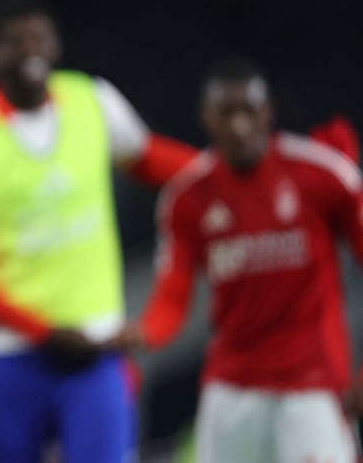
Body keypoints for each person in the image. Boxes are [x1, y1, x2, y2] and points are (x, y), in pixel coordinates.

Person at [0, 0, 197, 462]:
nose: (30, 49)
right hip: (11, 353)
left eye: (39, 37)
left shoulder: (92, 100)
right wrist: (43, 330)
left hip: (98, 350)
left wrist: (223, 171)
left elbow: (150, 160)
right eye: (14, 41)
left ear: (56, 45)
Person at [111, 57, 363, 462]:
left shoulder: (321, 174)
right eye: (226, 113)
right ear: (206, 119)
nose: (239, 125)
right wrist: (146, 332)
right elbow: (174, 292)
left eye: (249, 110)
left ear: (268, 112)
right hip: (232, 385)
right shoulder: (187, 199)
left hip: (312, 381)